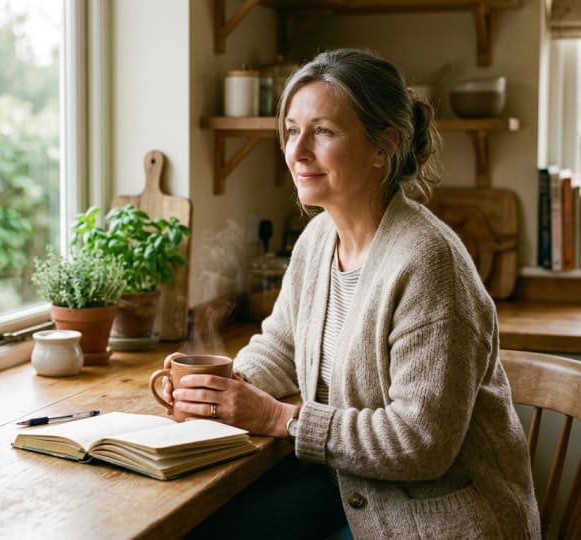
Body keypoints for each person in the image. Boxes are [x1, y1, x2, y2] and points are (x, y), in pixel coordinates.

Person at [163, 48, 541, 539]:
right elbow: (282, 345)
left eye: (323, 131)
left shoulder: (428, 263)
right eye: (292, 130)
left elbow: (420, 442)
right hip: (354, 491)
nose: (297, 152)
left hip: (439, 520)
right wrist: (220, 388)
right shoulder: (319, 239)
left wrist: (278, 417)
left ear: (383, 146)